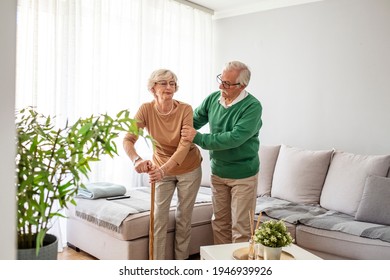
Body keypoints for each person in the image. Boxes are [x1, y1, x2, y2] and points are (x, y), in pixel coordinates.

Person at [123, 69, 202, 260]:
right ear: (153, 88)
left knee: (183, 218)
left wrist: (163, 170)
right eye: (164, 83)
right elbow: (128, 139)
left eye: (172, 83)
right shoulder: (145, 109)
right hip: (160, 168)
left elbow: (185, 145)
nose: (169, 87)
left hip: (188, 168)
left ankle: (180, 263)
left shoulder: (185, 109)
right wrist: (137, 159)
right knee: (158, 217)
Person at [181, 61, 262, 245]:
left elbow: (234, 138)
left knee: (241, 228)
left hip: (243, 175)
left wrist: (199, 138)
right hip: (218, 172)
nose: (220, 86)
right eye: (221, 80)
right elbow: (193, 121)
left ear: (243, 85)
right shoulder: (213, 99)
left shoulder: (252, 107)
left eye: (227, 83)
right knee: (219, 223)